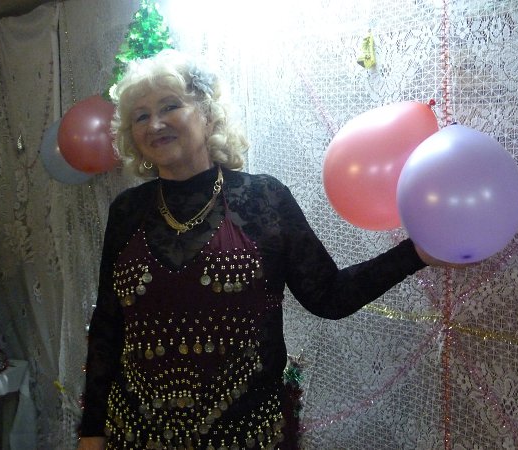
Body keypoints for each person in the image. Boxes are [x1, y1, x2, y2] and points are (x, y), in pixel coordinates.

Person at [77, 49, 454, 450]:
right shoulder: (127, 210)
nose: (155, 124)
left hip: (249, 436)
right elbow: (108, 324)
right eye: (140, 116)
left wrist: (414, 255)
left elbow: (329, 295)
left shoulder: (264, 198)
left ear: (207, 114)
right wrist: (92, 430)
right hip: (136, 435)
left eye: (170, 106)